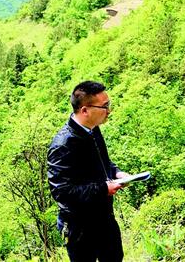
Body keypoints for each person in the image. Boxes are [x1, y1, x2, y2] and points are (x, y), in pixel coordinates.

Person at [47, 81, 129, 261]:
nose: (109, 110)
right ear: (84, 110)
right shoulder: (63, 145)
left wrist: (117, 173)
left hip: (105, 219)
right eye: (104, 106)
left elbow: (103, 162)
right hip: (80, 227)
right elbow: (61, 192)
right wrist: (103, 189)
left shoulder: (93, 130)